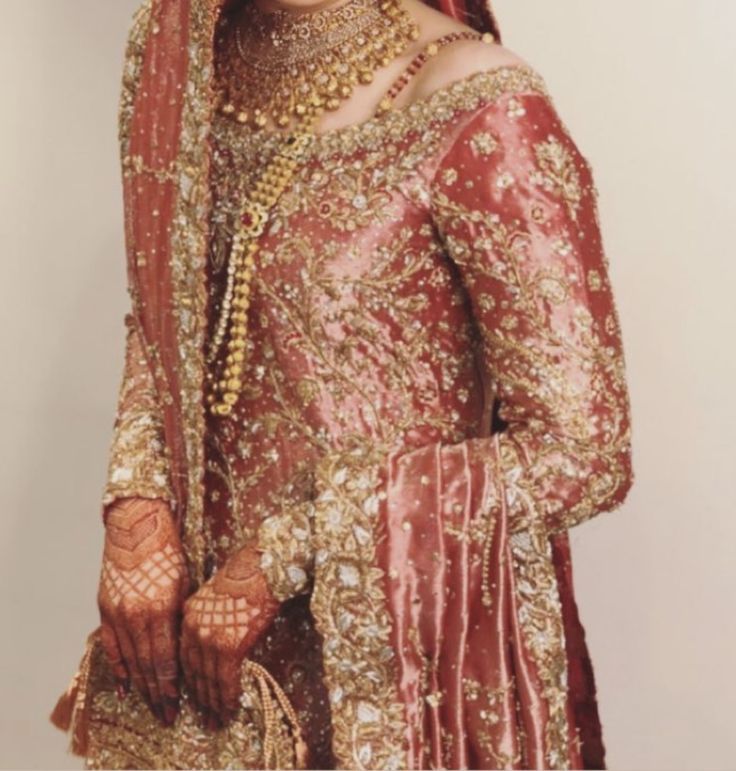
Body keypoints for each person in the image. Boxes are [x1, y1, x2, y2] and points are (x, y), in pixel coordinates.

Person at [50, 0, 634, 767]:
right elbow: (165, 305)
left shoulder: (478, 102)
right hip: (203, 672)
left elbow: (583, 453)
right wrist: (135, 501)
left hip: (388, 674)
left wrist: (285, 552)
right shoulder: (184, 56)